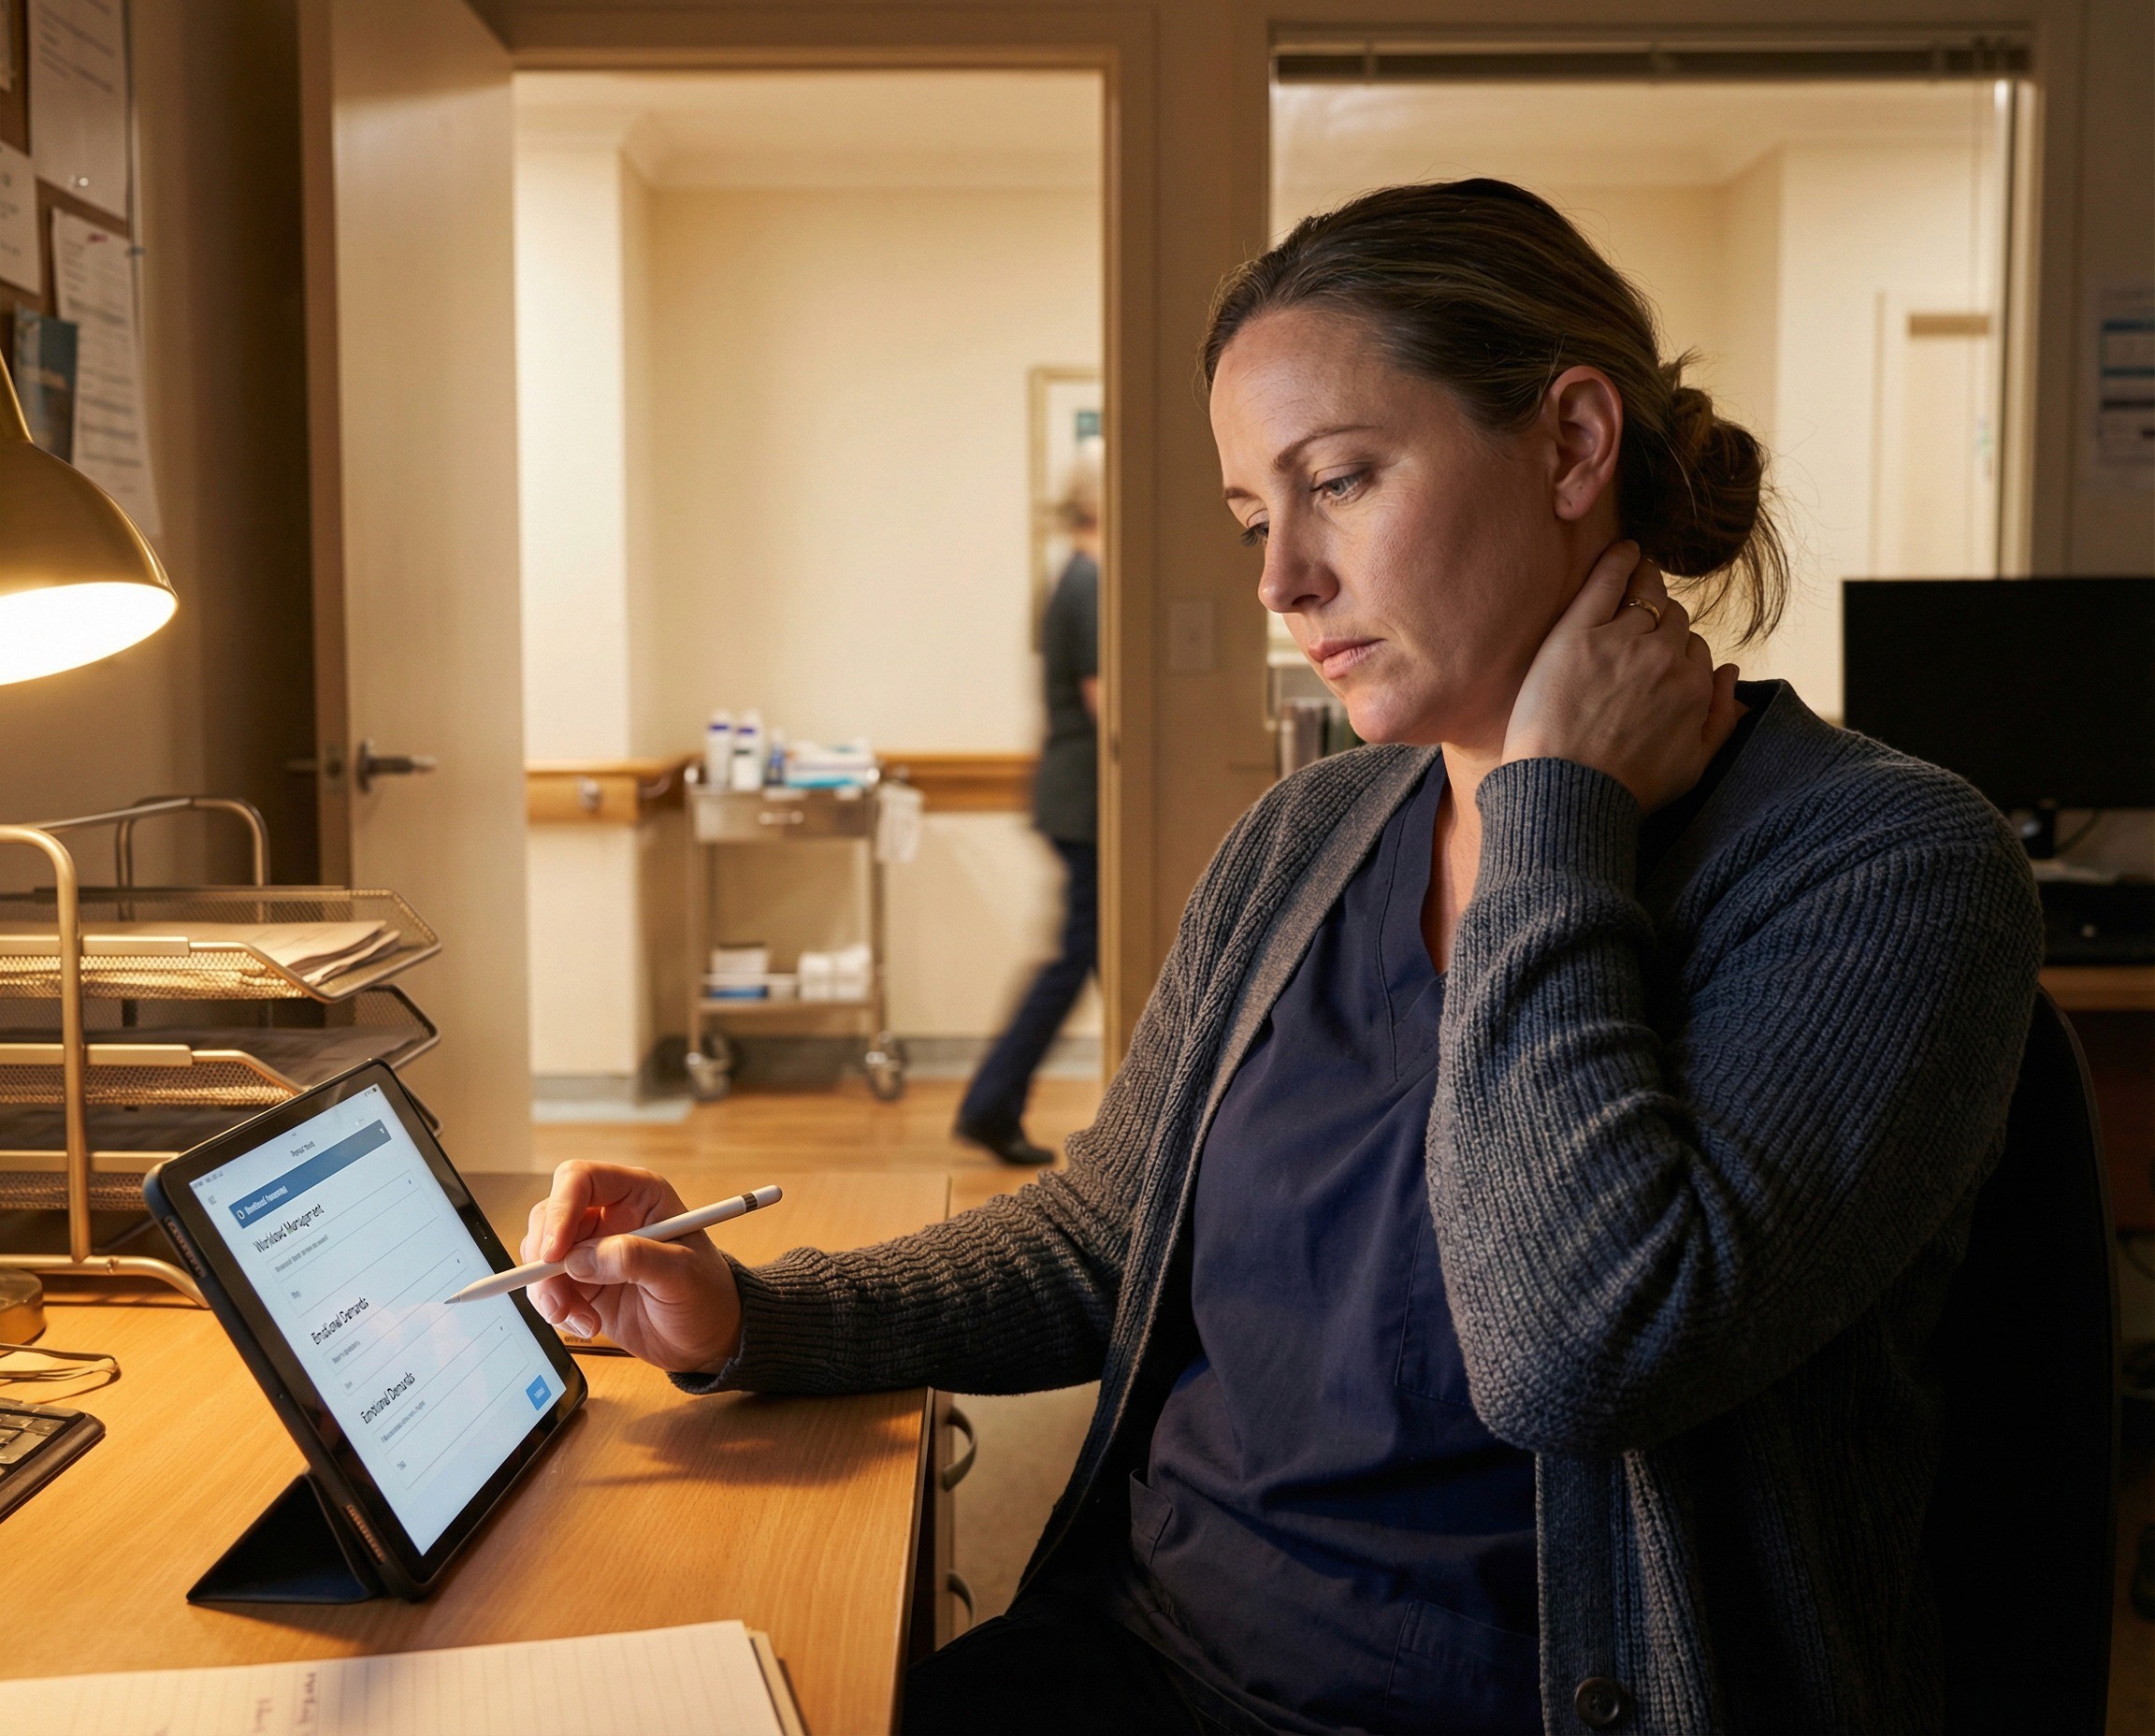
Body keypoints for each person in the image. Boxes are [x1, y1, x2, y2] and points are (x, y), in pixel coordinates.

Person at [518, 181, 2041, 1735]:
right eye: (1255, 515)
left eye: (1341, 482)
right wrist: (750, 1312)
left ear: (1573, 445)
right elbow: (1104, 1235)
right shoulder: (1305, 838)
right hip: (1144, 1656)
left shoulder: (1883, 870)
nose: (1277, 582)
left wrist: (1545, 817)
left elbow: (1578, 1354)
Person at [954, 461, 1102, 1165]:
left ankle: (997, 1101)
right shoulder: (1089, 583)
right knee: (1083, 956)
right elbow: (1109, 701)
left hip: (1075, 795)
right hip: (1086, 798)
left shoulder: (1074, 579)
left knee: (1098, 954)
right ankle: (991, 1101)